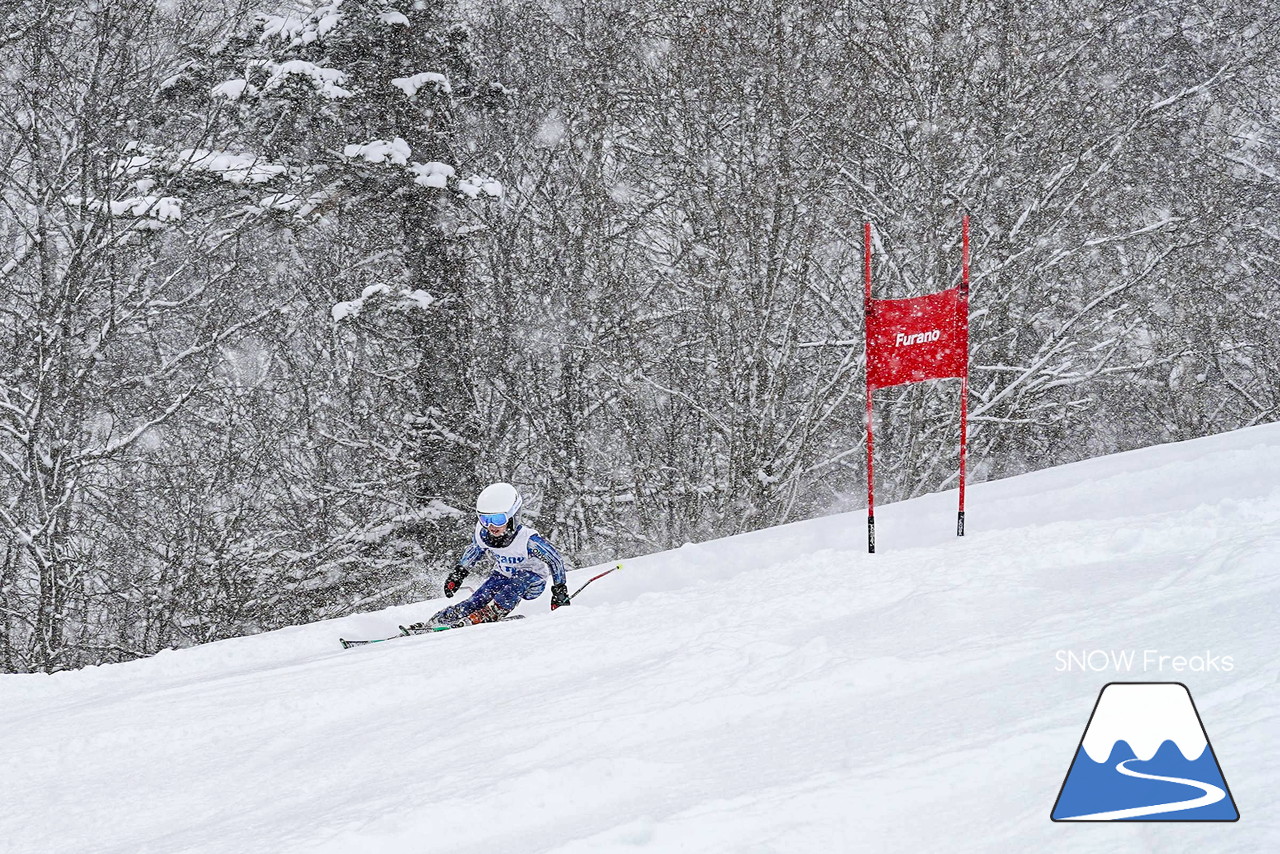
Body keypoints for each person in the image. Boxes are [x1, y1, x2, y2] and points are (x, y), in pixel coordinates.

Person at [407, 482, 571, 630]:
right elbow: (475, 551)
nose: (491, 526)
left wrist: (559, 591)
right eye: (485, 519)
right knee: (478, 598)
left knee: (518, 581)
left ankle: (490, 613)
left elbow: (554, 559)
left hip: (532, 581)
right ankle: (441, 620)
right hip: (503, 574)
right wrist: (458, 575)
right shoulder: (484, 534)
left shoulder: (528, 541)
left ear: (513, 516)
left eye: (498, 519)